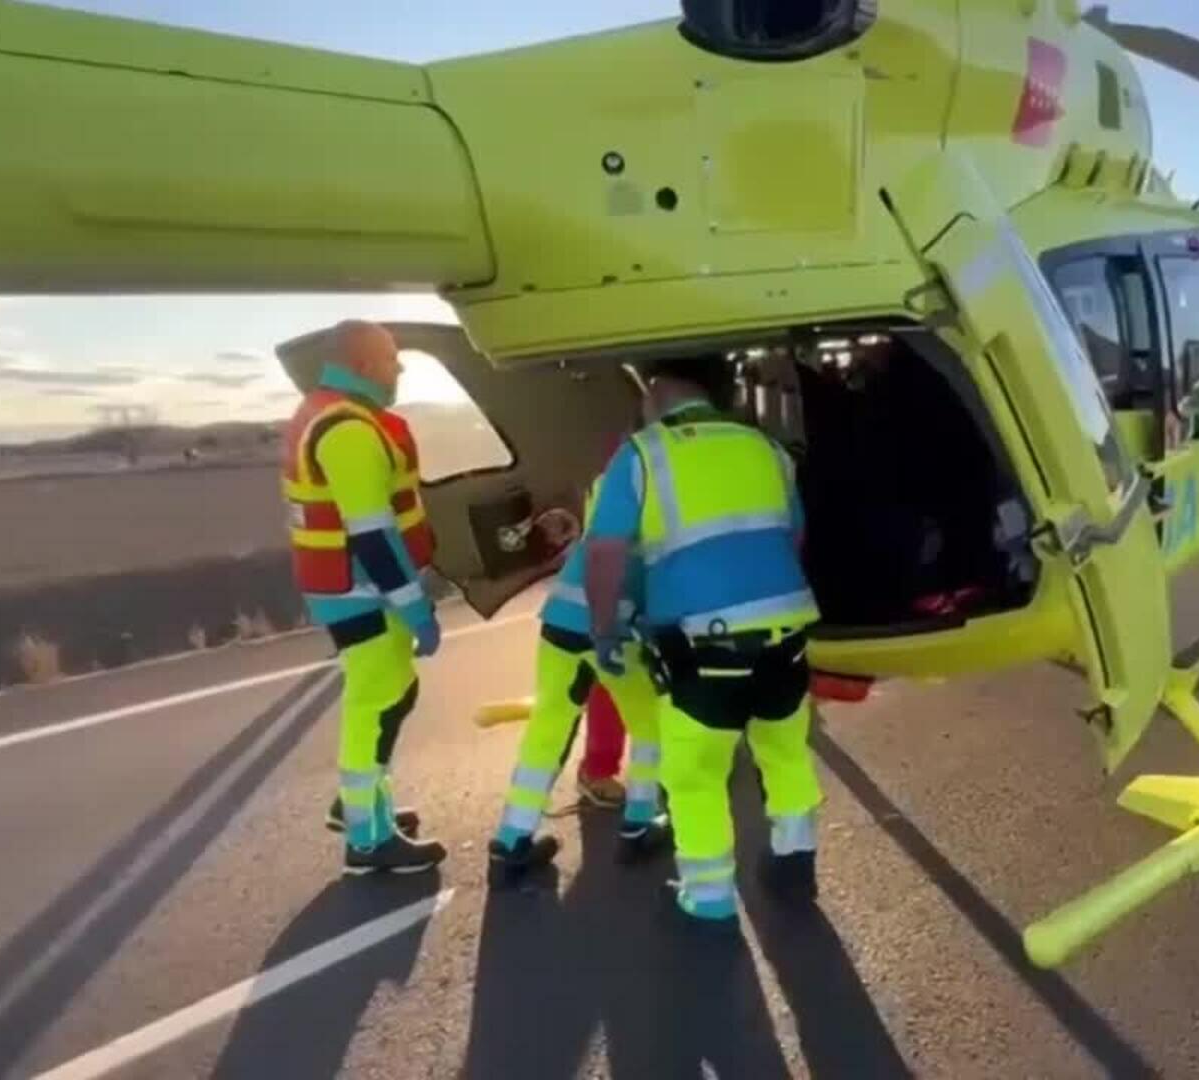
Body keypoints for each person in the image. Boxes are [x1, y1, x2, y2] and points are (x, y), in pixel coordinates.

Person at [584, 353, 824, 930]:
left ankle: (708, 895)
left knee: (694, 774)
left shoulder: (643, 454)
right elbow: (793, 533)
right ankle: (795, 862)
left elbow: (606, 552)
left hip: (702, 646)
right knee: (785, 753)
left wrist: (607, 627)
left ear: (660, 386)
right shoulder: (764, 448)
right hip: (785, 632)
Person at [281, 320, 445, 875]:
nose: (398, 369)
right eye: (392, 358)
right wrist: (416, 607)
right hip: (362, 590)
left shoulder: (325, 411)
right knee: (376, 703)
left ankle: (361, 807)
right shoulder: (348, 429)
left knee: (390, 696)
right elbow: (371, 533)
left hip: (349, 587)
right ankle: (368, 839)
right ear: (367, 364)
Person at [487, 438, 671, 881]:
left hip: (561, 619)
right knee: (650, 727)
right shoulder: (670, 484)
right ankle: (639, 826)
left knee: (547, 731)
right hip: (610, 624)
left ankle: (512, 842)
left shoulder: (610, 479)